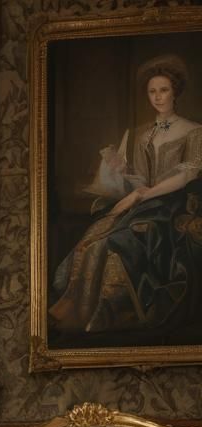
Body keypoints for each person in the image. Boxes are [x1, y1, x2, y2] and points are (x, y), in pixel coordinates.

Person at [49, 56, 202, 336]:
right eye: (152, 91)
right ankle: (76, 310)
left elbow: (186, 176)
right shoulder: (137, 134)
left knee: (117, 242)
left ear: (175, 91)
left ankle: (106, 315)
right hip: (140, 202)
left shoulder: (193, 131)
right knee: (95, 238)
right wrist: (123, 175)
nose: (157, 97)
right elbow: (132, 181)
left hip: (169, 207)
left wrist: (144, 195)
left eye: (164, 90)